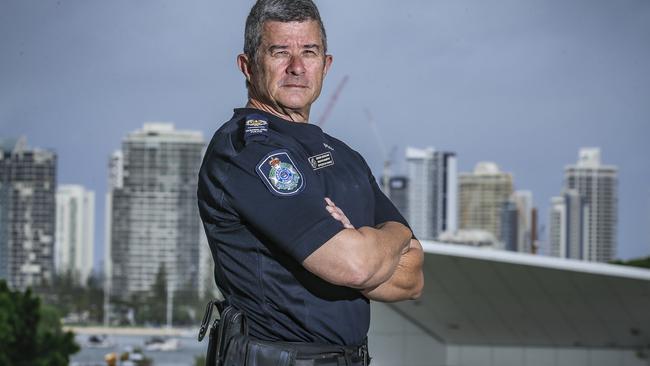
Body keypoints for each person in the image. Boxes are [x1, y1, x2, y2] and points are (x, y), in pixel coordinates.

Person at [197, 0, 424, 364]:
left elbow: (413, 278)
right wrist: (394, 239)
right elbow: (355, 265)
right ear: (247, 65)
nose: (297, 67)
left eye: (309, 52)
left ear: (326, 64)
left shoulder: (346, 157)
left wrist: (367, 247)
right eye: (279, 52)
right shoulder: (246, 152)